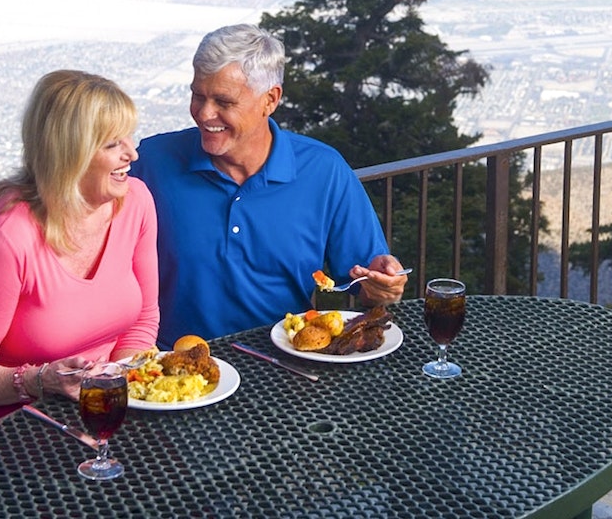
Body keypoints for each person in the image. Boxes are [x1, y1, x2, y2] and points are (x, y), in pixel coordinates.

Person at [131, 24, 407, 348]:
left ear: (270, 99)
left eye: (223, 101)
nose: (204, 114)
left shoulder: (324, 171)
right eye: (198, 95)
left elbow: (364, 280)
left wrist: (381, 284)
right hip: (172, 376)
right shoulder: (151, 162)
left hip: (286, 369)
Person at [0, 70, 158, 452]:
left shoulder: (134, 202)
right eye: (112, 144)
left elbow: (143, 318)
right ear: (71, 153)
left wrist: (116, 391)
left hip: (84, 411)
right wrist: (41, 381)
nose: (131, 154)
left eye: (128, 137)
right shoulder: (5, 236)